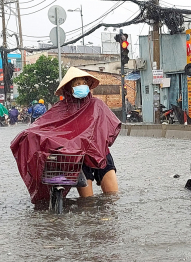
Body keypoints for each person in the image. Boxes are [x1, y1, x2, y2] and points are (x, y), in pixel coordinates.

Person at [10, 67, 121, 204]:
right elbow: (42, 126)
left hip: (102, 155)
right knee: (88, 202)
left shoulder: (97, 105)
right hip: (78, 159)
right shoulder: (61, 109)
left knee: (113, 197)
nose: (81, 86)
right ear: (70, 88)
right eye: (77, 84)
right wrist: (28, 135)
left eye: (83, 82)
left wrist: (98, 141)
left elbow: (110, 127)